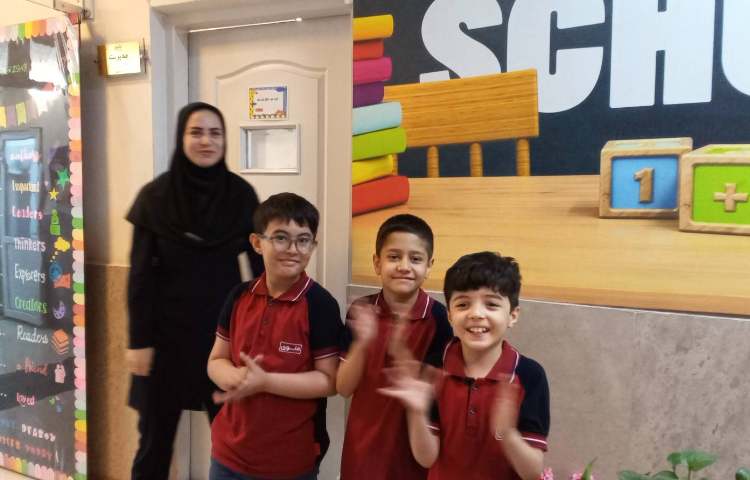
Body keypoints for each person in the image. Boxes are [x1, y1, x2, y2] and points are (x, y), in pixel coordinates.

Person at [125, 102, 263, 480]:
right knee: (154, 442)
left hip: (222, 340)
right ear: (181, 137)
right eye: (196, 132)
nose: (206, 141)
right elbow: (139, 278)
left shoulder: (241, 196)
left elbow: (260, 270)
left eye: (215, 133)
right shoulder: (155, 198)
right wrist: (139, 342)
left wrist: (260, 333)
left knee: (233, 439)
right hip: (163, 340)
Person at [207, 192, 343, 480]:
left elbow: (329, 381)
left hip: (291, 461)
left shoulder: (320, 305)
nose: (293, 249)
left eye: (303, 240)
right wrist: (234, 377)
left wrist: (265, 382)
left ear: (313, 245)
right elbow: (216, 360)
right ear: (257, 243)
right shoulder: (238, 296)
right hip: (227, 454)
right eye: (281, 238)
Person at [381, 251, 550, 480]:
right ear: (450, 315)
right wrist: (417, 412)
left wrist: (507, 433)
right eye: (463, 304)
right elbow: (426, 458)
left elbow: (532, 472)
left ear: (512, 315)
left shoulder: (529, 375)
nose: (476, 314)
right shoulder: (434, 368)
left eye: (491, 304)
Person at [337, 214, 453, 479]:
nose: (404, 266)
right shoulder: (361, 309)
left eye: (415, 258)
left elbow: (436, 395)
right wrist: (363, 343)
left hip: (411, 458)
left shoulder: (439, 319)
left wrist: (401, 352)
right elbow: (343, 388)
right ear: (377, 263)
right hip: (360, 454)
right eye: (393, 257)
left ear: (429, 266)